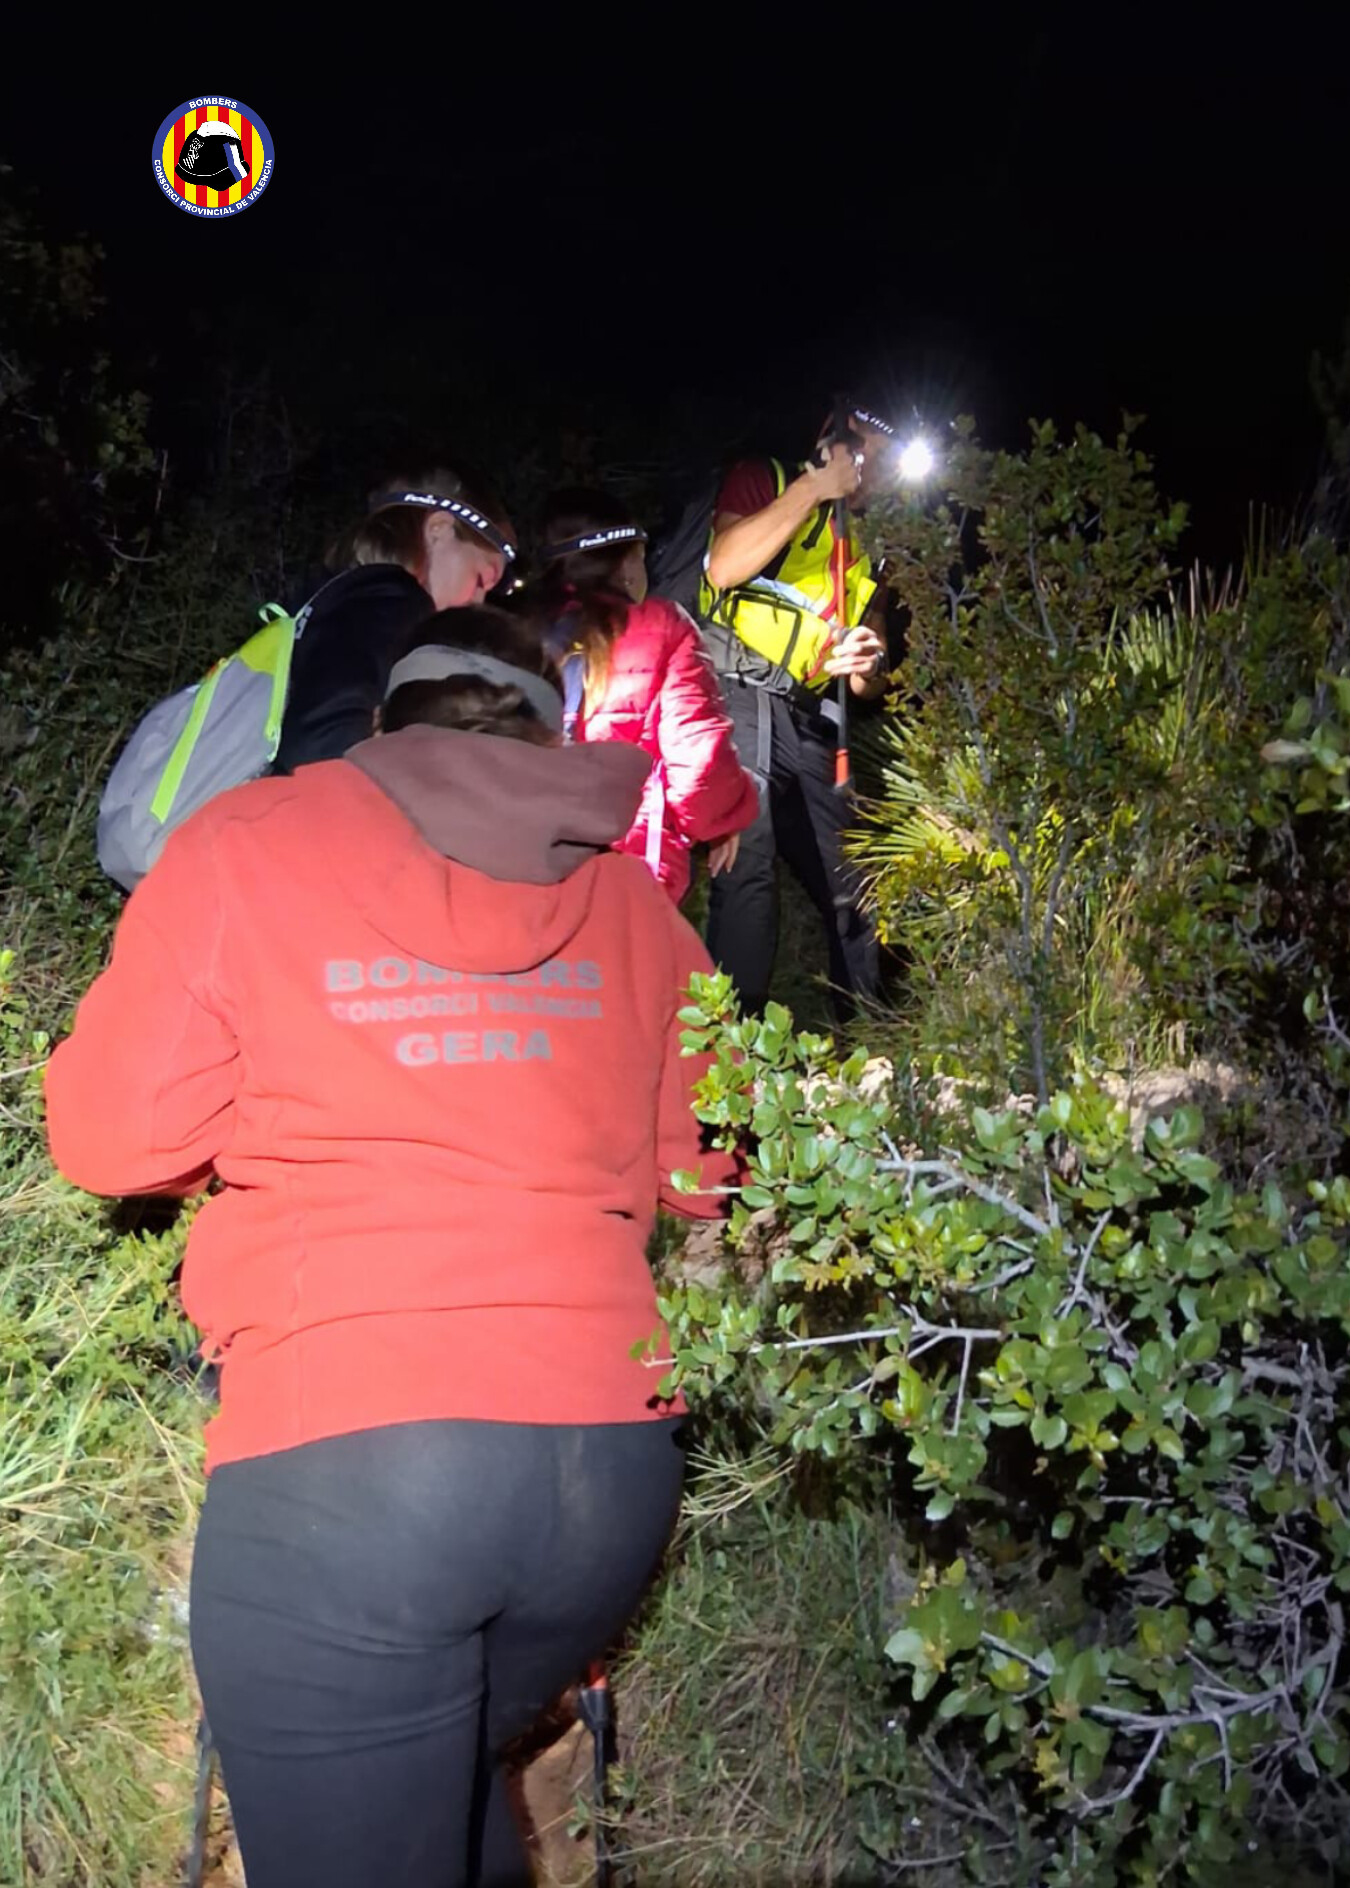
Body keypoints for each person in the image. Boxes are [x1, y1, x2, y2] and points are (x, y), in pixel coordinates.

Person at [46, 607, 737, 1888]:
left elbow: (109, 1139)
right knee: (435, 1794)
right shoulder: (631, 901)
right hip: (608, 1475)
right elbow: (707, 1168)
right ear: (551, 734)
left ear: (380, 722)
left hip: (349, 1477)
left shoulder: (247, 842)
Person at [697, 406, 894, 1022]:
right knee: (748, 856)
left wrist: (869, 658)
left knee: (854, 874)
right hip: (739, 687)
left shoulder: (872, 549)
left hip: (811, 717)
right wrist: (814, 488)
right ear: (834, 441)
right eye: (870, 455)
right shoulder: (768, 479)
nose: (876, 475)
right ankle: (732, 1044)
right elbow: (724, 566)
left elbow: (867, 683)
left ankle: (871, 1033)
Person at [516, 486, 759, 907]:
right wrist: (724, 819)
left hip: (514, 859)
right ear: (627, 564)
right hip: (627, 870)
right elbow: (697, 758)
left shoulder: (507, 629)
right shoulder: (660, 625)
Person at [274, 468, 516, 772]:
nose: (478, 601)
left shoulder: (333, 593)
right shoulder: (391, 599)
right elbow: (320, 747)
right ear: (439, 530)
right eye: (482, 578)